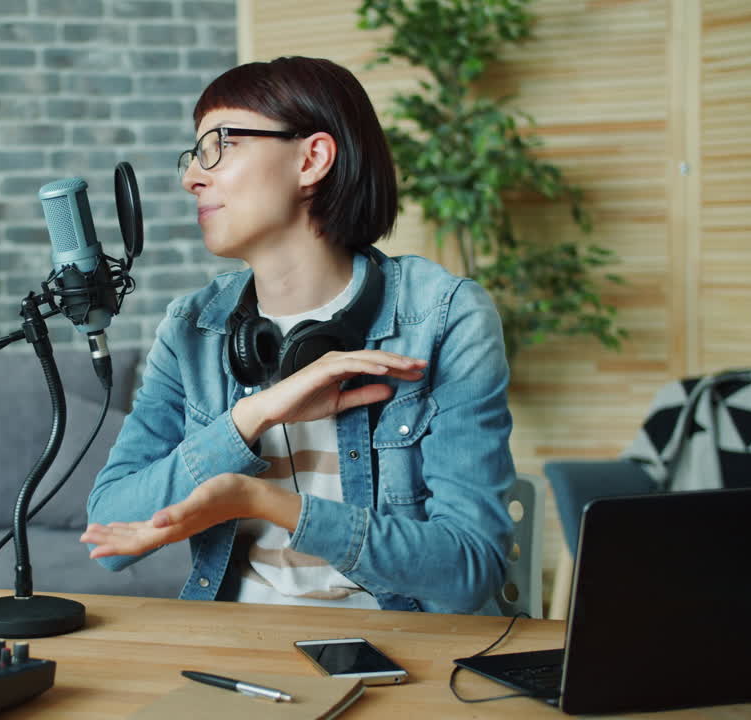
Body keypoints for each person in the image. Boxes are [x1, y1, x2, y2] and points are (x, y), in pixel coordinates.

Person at [79, 57, 515, 615]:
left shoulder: (444, 316)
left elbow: (468, 570)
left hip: (406, 646)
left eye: (221, 144)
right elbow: (108, 532)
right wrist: (252, 417)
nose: (192, 176)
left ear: (312, 159)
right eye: (194, 154)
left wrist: (262, 500)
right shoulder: (193, 328)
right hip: (240, 642)